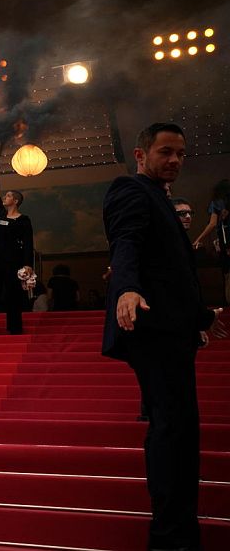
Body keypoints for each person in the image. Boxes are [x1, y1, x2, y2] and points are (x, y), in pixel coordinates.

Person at [103, 122, 226, 550]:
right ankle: (171, 538)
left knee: (180, 430)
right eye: (164, 152)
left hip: (173, 329)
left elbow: (172, 272)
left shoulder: (162, 200)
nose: (174, 160)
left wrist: (200, 318)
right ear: (141, 155)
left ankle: (177, 531)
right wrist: (127, 287)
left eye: (180, 153)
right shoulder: (131, 190)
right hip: (152, 327)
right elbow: (126, 242)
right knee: (173, 430)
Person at [0, 157, 34, 335]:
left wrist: (27, 264)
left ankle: (15, 327)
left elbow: (28, 243)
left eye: (9, 195)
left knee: (13, 292)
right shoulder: (0, 215)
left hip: (14, 258)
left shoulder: (24, 220)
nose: (5, 197)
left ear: (16, 201)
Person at [191, 179, 230, 306]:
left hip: (227, 244)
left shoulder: (217, 203)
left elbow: (212, 224)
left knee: (228, 276)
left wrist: (198, 239)